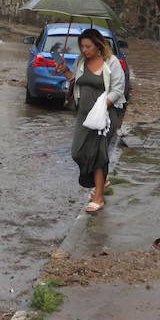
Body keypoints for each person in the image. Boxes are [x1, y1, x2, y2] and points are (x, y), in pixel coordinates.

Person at [55, 28, 126, 213]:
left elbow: (118, 89)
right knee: (78, 152)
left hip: (106, 115)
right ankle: (101, 180)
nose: (84, 50)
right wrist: (65, 72)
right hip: (84, 115)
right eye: (82, 46)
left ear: (98, 45)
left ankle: (99, 196)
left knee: (98, 154)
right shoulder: (80, 61)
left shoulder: (112, 62)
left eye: (88, 46)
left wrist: (103, 106)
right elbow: (76, 81)